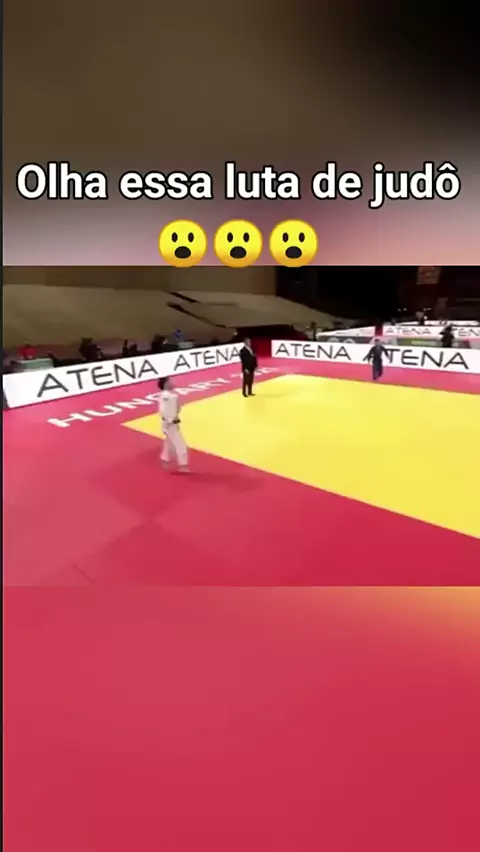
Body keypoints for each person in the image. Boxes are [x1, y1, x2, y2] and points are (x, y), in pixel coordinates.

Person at [158, 376, 189, 472]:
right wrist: (170, 420)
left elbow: (162, 410)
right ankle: (183, 465)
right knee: (180, 444)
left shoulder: (162, 395)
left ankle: (165, 458)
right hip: (171, 423)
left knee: (168, 442)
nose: (172, 382)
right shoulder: (172, 397)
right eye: (170, 381)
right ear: (166, 384)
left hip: (166, 422)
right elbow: (173, 409)